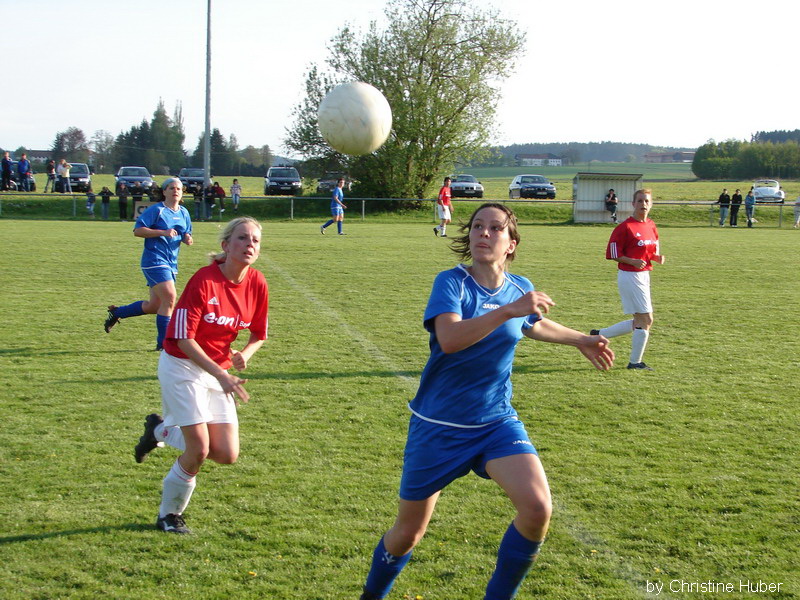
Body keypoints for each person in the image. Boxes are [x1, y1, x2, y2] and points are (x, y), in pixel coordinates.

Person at [359, 203, 614, 600]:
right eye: (478, 226)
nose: (484, 233)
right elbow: (451, 339)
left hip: (496, 423)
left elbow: (533, 323)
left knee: (537, 509)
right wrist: (510, 310)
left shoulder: (518, 288)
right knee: (408, 533)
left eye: (495, 228)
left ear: (511, 244)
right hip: (439, 427)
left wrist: (581, 338)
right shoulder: (452, 283)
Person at [132, 216, 269, 535]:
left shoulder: (257, 283)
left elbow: (259, 334)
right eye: (242, 238)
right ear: (226, 245)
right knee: (198, 450)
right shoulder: (204, 281)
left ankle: (159, 431)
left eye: (255, 240)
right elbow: (183, 338)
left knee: (227, 454)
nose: (249, 245)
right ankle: (169, 515)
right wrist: (221, 375)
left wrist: (244, 355)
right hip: (182, 365)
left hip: (217, 370)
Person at [104, 178, 193, 350]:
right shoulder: (157, 210)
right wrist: (162, 232)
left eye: (179, 188)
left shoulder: (184, 212)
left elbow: (186, 233)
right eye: (171, 188)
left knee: (155, 305)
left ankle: (117, 312)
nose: (175, 191)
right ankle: (164, 345)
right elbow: (138, 230)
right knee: (170, 298)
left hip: (171, 262)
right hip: (154, 260)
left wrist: (187, 238)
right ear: (164, 191)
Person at [589, 189, 665, 371]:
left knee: (639, 320)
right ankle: (635, 362)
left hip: (644, 275)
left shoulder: (651, 225)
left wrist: (656, 257)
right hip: (630, 276)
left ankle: (597, 335)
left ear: (651, 204)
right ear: (633, 204)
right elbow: (613, 254)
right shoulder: (625, 227)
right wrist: (632, 261)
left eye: (646, 201)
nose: (643, 204)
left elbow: (649, 251)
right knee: (646, 319)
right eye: (640, 201)